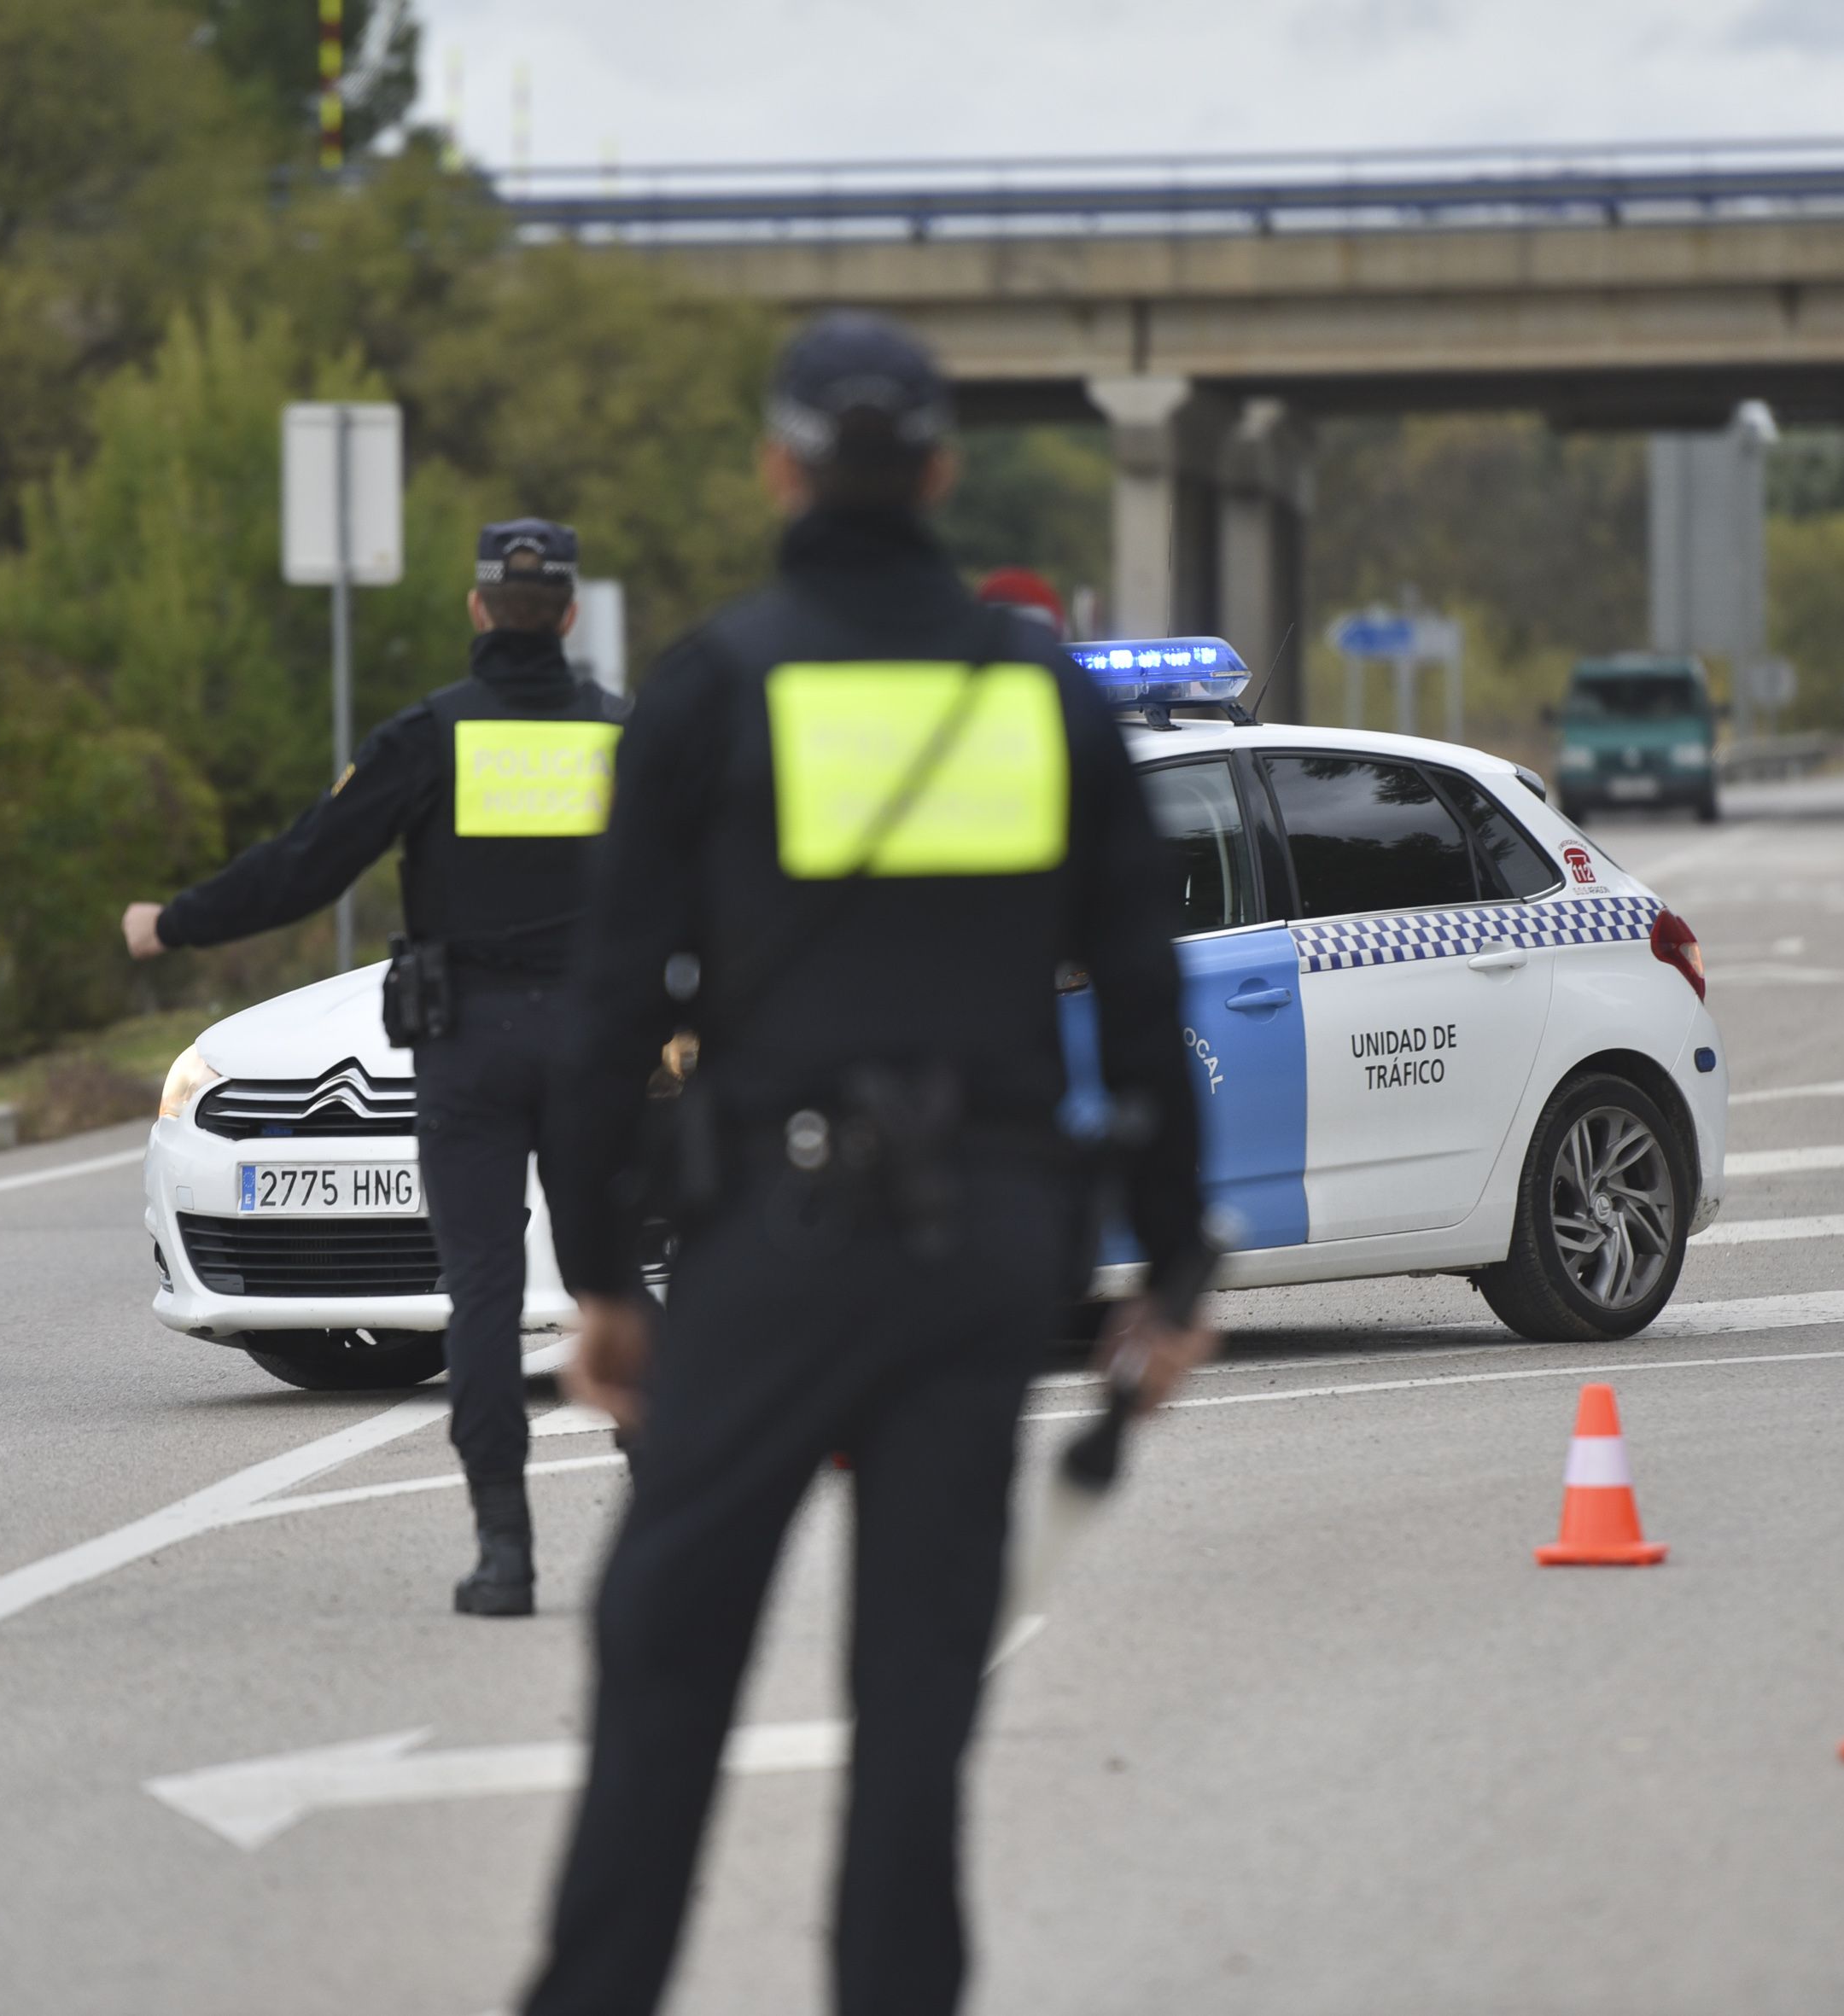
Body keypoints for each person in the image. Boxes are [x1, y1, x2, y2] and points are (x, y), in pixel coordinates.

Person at [523, 311, 1221, 2016]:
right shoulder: (1038, 689)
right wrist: (1176, 1267)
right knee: (916, 1703)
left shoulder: (710, 680)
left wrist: (603, 1277)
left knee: (664, 1657)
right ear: (938, 471)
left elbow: (602, 1023)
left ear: (775, 467)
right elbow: (1142, 993)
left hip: (772, 1234)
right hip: (983, 1250)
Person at [121, 520, 627, 1619]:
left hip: (467, 1050)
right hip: (595, 1044)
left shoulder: (430, 735)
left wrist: (178, 921)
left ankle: (505, 1555)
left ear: (477, 607)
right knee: (610, 1289)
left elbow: (306, 863)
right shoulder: (621, 736)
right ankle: (665, 1541)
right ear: (573, 615)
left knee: (485, 1296)